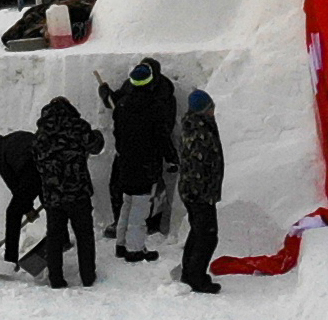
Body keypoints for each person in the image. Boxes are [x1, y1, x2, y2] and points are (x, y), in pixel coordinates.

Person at [101, 56, 178, 262]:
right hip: (146, 162)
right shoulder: (154, 107)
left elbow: (118, 132)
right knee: (140, 206)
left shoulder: (123, 105)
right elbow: (162, 135)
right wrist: (171, 158)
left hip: (125, 159)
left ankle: (121, 243)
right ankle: (135, 249)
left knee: (127, 201)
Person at [30, 96, 103, 287]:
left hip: (53, 194)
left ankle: (56, 278)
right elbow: (96, 146)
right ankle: (87, 276)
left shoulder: (40, 134)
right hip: (77, 191)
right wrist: (97, 135)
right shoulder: (78, 126)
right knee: (84, 234)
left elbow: (36, 161)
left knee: (54, 236)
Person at [174, 87, 225, 292]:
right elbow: (197, 165)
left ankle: (190, 272)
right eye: (211, 107)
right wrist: (202, 193)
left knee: (198, 232)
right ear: (204, 109)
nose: (214, 111)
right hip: (199, 192)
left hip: (196, 190)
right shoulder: (199, 131)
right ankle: (196, 278)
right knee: (207, 235)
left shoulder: (198, 125)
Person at [0, 126, 41, 264]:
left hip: (29, 172)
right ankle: (63, 239)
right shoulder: (15, 136)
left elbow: (14, 184)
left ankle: (10, 259)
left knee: (13, 213)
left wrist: (27, 209)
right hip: (47, 166)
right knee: (51, 202)